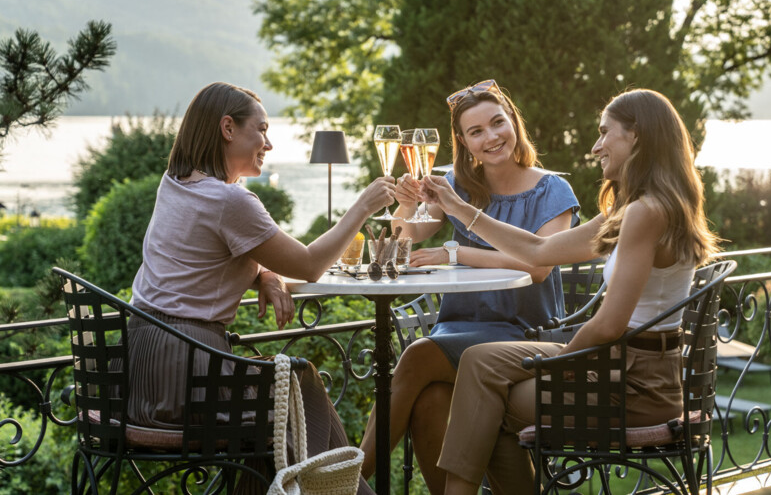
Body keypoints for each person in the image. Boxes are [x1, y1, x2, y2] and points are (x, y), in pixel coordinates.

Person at [420, 88, 720, 494]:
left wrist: (560, 368)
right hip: (616, 363)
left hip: (635, 388)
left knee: (486, 403)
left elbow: (610, 323)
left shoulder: (646, 213)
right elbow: (538, 249)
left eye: (604, 132)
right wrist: (460, 209)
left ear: (636, 136)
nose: (596, 146)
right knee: (478, 361)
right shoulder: (634, 209)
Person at [126, 82, 395, 495]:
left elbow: (198, 254)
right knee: (297, 385)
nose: (268, 143)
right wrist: (361, 207)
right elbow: (309, 265)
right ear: (228, 128)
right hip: (189, 372)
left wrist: (264, 274)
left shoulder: (176, 183)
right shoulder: (230, 201)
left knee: (283, 400)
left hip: (143, 370)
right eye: (262, 130)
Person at [359, 80, 580, 493]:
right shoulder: (456, 184)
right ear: (463, 141)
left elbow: (539, 266)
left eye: (498, 123)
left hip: (525, 333)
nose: (491, 137)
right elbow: (406, 237)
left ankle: (348, 482)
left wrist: (456, 254)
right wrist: (407, 201)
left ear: (514, 121)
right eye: (476, 131)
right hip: (458, 328)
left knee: (416, 356)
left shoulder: (553, 189)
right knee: (429, 402)